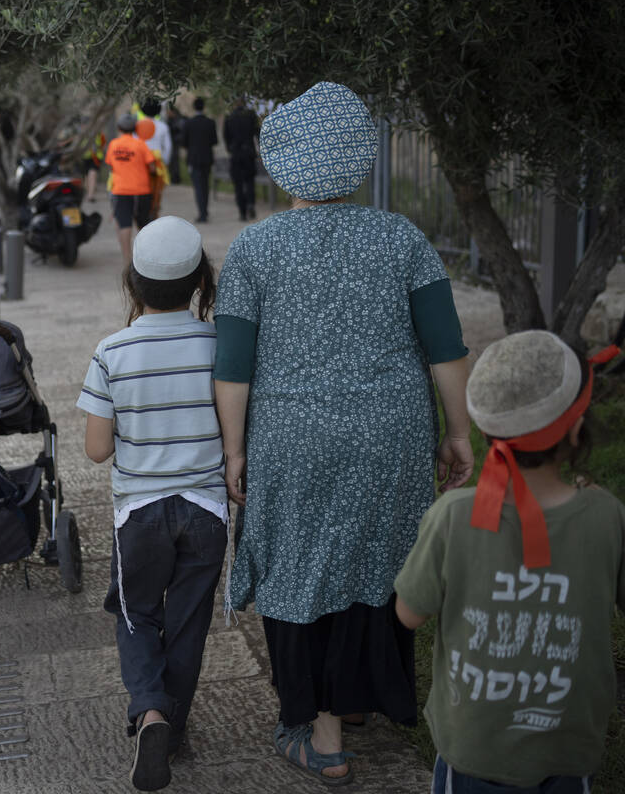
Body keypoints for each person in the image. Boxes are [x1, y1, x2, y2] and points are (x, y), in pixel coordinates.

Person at [212, 82, 474, 785]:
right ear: (359, 158)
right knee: (376, 559)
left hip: (291, 434)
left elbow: (232, 370)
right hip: (389, 430)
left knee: (301, 571)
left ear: (281, 163)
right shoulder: (402, 238)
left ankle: (322, 735)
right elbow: (446, 349)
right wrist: (458, 434)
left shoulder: (255, 249)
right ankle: (359, 699)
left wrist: (234, 450)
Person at [395, 331, 625, 794]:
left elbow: (408, 612)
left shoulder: (453, 517)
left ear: (486, 429)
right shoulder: (606, 516)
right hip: (568, 743)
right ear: (576, 429)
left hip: (474, 750)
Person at [77, 216, 228, 792]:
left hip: (139, 513)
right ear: (198, 283)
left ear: (132, 283)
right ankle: (176, 726)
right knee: (189, 623)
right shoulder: (219, 345)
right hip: (206, 511)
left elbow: (96, 451)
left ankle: (151, 712)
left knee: (138, 613)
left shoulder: (112, 351)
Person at [104, 113, 155, 265]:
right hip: (141, 190)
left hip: (120, 190)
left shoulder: (113, 145)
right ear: (135, 128)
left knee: (124, 225)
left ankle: (127, 260)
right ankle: (144, 258)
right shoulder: (140, 144)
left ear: (119, 128)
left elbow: (110, 164)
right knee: (143, 225)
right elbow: (152, 167)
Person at [223, 97, 259, 221]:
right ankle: (250, 203)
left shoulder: (229, 117)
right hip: (249, 153)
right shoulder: (251, 115)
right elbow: (257, 134)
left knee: (238, 184)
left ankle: (242, 212)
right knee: (249, 182)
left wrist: (231, 149)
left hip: (236, 154)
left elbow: (226, 137)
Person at [182, 97, 217, 224]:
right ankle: (205, 211)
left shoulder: (188, 123)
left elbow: (184, 142)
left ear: (194, 107)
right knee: (205, 185)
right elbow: (214, 141)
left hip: (193, 159)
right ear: (203, 107)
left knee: (198, 187)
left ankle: (202, 213)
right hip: (207, 158)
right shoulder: (210, 122)